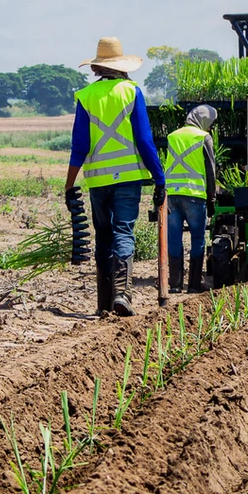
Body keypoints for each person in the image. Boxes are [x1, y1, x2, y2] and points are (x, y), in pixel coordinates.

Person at [65, 37, 166, 318]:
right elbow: (145, 141)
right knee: (124, 232)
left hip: (97, 182)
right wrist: (159, 178)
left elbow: (79, 146)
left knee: (104, 236)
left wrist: (69, 183)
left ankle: (104, 302)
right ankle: (123, 294)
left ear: (97, 68)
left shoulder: (86, 96)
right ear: (123, 67)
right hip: (128, 180)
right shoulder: (131, 92)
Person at [165, 105, 218, 294]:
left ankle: (175, 285)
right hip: (195, 196)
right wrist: (212, 197)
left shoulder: (173, 136)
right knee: (197, 239)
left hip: (171, 195)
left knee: (174, 239)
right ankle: (194, 285)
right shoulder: (203, 137)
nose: (210, 127)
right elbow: (210, 170)